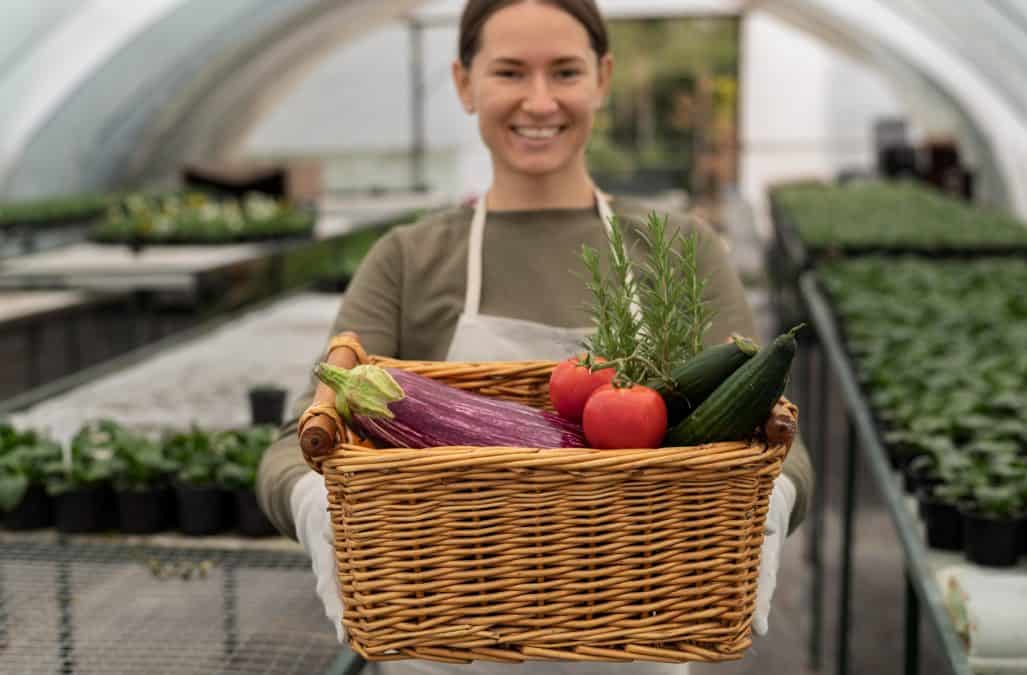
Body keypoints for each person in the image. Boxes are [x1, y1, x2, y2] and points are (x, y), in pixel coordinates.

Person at [257, 0, 813, 672]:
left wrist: (769, 502)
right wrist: (320, 504)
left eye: (566, 72)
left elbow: (774, 440)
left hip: (638, 641)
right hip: (446, 649)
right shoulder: (408, 258)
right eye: (511, 72)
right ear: (465, 83)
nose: (540, 101)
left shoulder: (679, 248)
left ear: (603, 78)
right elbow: (299, 440)